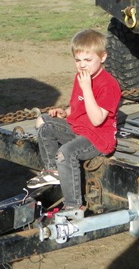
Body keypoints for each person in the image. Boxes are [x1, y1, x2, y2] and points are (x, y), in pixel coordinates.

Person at [26, 29, 122, 213]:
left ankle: (73, 206)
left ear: (102, 57)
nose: (82, 65)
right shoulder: (81, 78)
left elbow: (96, 120)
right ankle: (53, 171)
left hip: (97, 139)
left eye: (88, 60)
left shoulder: (108, 85)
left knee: (65, 153)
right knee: (44, 123)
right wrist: (64, 113)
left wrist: (87, 89)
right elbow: (77, 108)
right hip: (78, 129)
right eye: (78, 60)